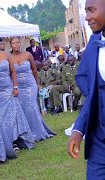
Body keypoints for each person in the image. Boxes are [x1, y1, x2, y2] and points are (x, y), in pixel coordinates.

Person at [68, 1, 105, 178]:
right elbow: (84, 78)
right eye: (85, 11)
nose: (87, 17)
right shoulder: (95, 40)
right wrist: (78, 130)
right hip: (98, 136)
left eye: (91, 11)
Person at [0, 37, 35, 152]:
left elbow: (13, 71)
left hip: (8, 89)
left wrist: (15, 87)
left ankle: (14, 140)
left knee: (12, 116)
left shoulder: (6, 55)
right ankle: (4, 141)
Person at [10, 37, 56, 142]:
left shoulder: (27, 54)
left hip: (30, 85)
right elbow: (10, 74)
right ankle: (27, 133)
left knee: (32, 107)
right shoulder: (9, 57)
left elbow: (34, 70)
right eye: (14, 43)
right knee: (22, 109)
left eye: (18, 42)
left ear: (20, 44)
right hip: (18, 86)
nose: (16, 44)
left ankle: (38, 132)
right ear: (11, 45)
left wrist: (38, 84)